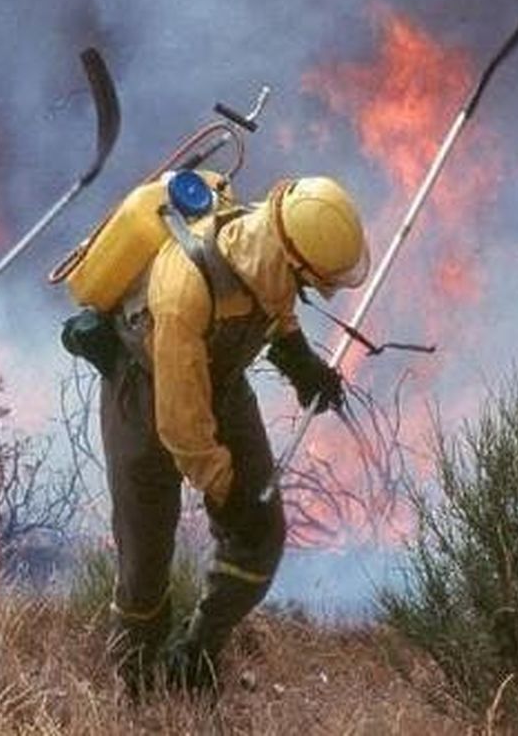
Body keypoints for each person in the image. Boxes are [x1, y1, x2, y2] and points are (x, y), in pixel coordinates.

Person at [99, 176, 368, 693]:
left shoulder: (270, 250)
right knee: (146, 556)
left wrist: (297, 357)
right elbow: (181, 427)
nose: (310, 290)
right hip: (144, 393)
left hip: (220, 384)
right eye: (309, 281)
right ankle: (134, 684)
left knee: (261, 532)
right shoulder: (185, 290)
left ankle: (193, 657)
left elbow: (274, 296)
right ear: (289, 257)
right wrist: (223, 490)